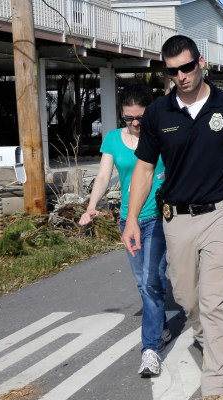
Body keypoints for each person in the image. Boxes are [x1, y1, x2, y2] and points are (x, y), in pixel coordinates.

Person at [121, 35, 223, 400]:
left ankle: (215, 388)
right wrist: (133, 218)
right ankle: (211, 341)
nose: (181, 76)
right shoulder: (158, 113)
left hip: (221, 214)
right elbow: (143, 169)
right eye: (173, 71)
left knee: (215, 299)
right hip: (176, 220)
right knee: (189, 298)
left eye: (187, 67)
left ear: (201, 62)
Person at [79, 84, 170, 377]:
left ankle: (150, 349)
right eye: (128, 117)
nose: (134, 123)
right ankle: (162, 326)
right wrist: (92, 204)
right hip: (128, 220)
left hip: (158, 217)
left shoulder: (160, 136)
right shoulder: (113, 140)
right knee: (145, 282)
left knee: (149, 281)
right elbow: (104, 175)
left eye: (140, 117)